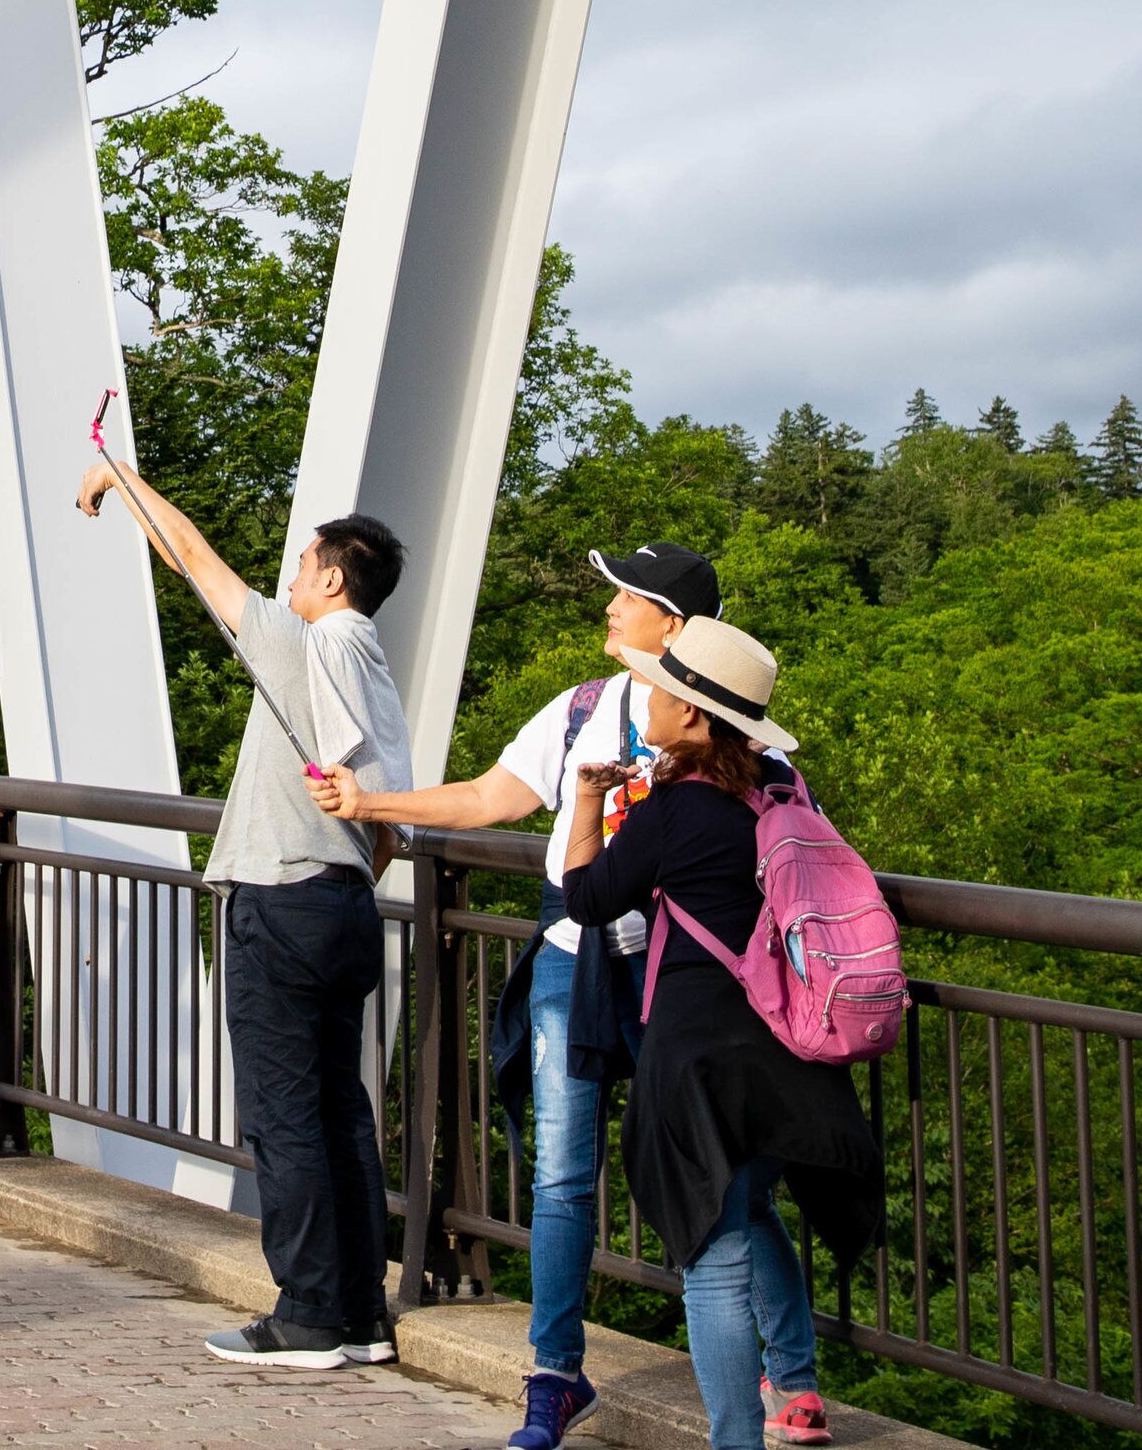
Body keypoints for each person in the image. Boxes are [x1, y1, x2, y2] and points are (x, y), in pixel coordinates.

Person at [315, 544, 830, 1446]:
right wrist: (371, 806)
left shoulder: (716, 739)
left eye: (625, 597)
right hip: (576, 955)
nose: (608, 609)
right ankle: (555, 1374)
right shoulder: (584, 710)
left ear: (673, 628)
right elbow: (488, 798)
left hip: (683, 974)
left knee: (732, 1191)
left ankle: (791, 1372)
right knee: (562, 1176)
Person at [77, 449, 413, 1371]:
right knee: (341, 1110)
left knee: (285, 1114)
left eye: (303, 565)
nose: (290, 578)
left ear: (334, 578)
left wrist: (120, 478)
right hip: (346, 903)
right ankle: (359, 1313)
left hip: (280, 901)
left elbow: (190, 556)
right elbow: (388, 824)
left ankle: (307, 1315)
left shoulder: (305, 644)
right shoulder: (376, 670)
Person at [555, 618, 881, 1450]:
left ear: (694, 719)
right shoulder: (779, 794)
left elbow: (588, 898)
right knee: (746, 1204)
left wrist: (590, 798)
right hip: (792, 1056)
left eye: (663, 692)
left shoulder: (676, 811)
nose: (650, 701)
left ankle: (736, 1440)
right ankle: (797, 1387)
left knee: (714, 1261)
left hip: (699, 1062)